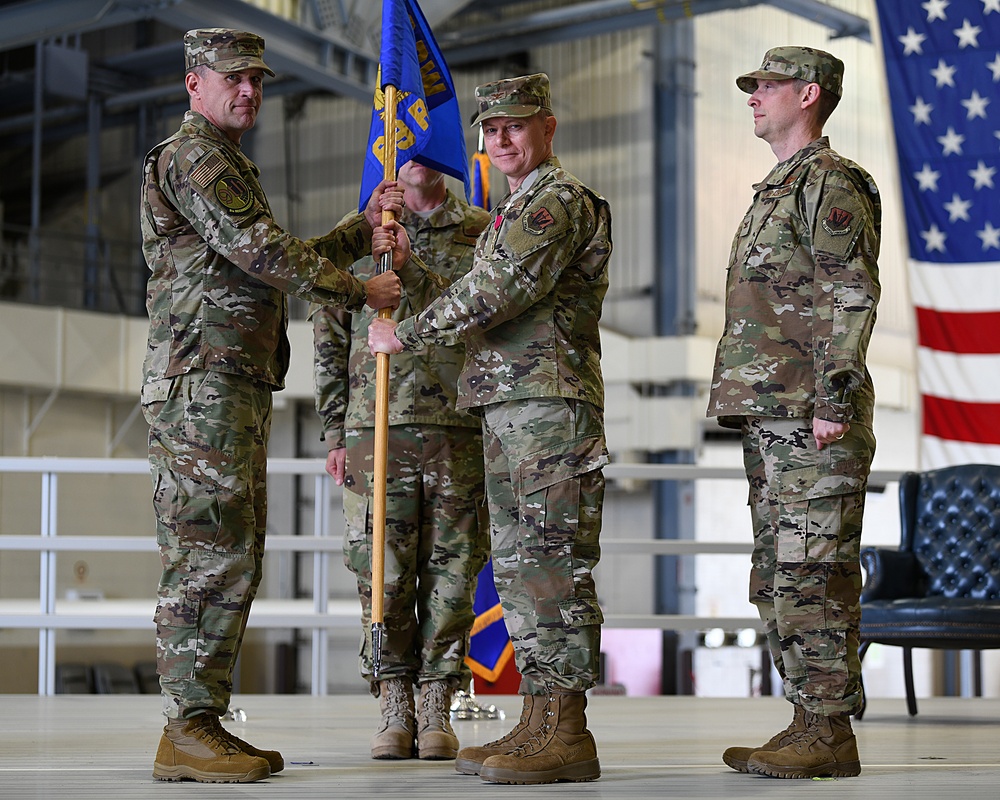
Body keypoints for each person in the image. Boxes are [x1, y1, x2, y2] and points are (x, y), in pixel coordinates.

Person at [139, 28, 401, 784]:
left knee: (233, 554)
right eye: (234, 78)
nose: (248, 90)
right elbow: (263, 254)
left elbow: (260, 263)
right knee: (208, 553)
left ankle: (196, 724)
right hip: (201, 385)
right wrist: (362, 288)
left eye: (257, 79)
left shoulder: (227, 164)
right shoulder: (193, 155)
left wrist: (359, 228)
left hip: (230, 383)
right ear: (195, 83)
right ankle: (188, 725)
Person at [368, 73, 612, 786]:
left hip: (549, 409)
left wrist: (405, 334)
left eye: (516, 125)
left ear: (548, 128)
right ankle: (538, 720)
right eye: (491, 128)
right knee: (521, 571)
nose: (501, 138)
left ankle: (568, 729)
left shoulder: (555, 203)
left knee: (554, 568)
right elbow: (486, 288)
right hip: (509, 411)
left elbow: (498, 291)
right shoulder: (514, 208)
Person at [707, 47, 880, 779]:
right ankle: (808, 718)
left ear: (808, 94)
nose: (754, 96)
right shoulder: (776, 187)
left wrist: (834, 398)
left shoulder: (831, 183)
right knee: (777, 579)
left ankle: (830, 732)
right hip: (771, 415)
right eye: (753, 86)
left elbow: (850, 290)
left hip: (813, 416)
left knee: (814, 575)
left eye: (768, 85)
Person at [311, 161, 491, 761]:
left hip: (457, 429)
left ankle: (437, 701)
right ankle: (394, 701)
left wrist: (415, 273)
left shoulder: (481, 232)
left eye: (423, 140)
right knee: (379, 572)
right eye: (401, 143)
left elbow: (485, 317)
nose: (412, 157)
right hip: (373, 427)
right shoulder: (358, 232)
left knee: (453, 572)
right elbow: (330, 331)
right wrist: (335, 430)